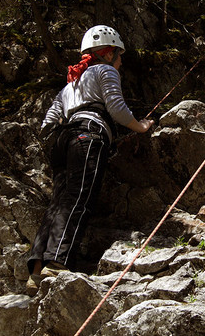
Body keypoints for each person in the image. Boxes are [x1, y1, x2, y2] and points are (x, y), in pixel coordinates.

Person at [26, 25, 154, 295]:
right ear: (108, 54)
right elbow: (116, 107)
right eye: (119, 57)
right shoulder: (104, 71)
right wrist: (140, 126)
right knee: (77, 198)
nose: (120, 64)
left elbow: (48, 122)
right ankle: (58, 262)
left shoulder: (71, 83)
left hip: (62, 140)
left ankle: (36, 270)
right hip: (88, 136)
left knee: (57, 202)